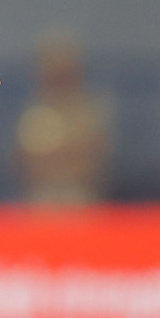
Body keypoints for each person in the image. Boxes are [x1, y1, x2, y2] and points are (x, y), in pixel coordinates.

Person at [14, 32, 110, 205]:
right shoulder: (35, 114)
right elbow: (25, 162)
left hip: (81, 197)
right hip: (42, 199)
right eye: (53, 72)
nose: (59, 79)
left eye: (64, 72)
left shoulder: (90, 112)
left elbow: (95, 158)